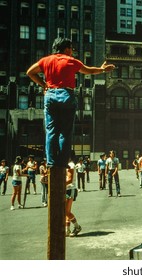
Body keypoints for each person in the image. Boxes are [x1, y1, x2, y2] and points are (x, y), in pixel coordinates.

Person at [26, 37, 115, 168]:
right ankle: (62, 162)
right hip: (66, 95)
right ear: (66, 49)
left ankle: (50, 162)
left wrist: (43, 84)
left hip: (50, 95)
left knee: (51, 131)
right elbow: (89, 71)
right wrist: (102, 69)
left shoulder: (45, 60)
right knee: (65, 132)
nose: (72, 52)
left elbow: (30, 72)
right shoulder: (71, 61)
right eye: (71, 49)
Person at [65, 158, 82, 237]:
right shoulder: (67, 165)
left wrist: (59, 183)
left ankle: (77, 227)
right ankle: (67, 229)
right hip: (66, 189)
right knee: (67, 211)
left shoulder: (71, 165)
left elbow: (70, 180)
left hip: (70, 189)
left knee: (66, 211)